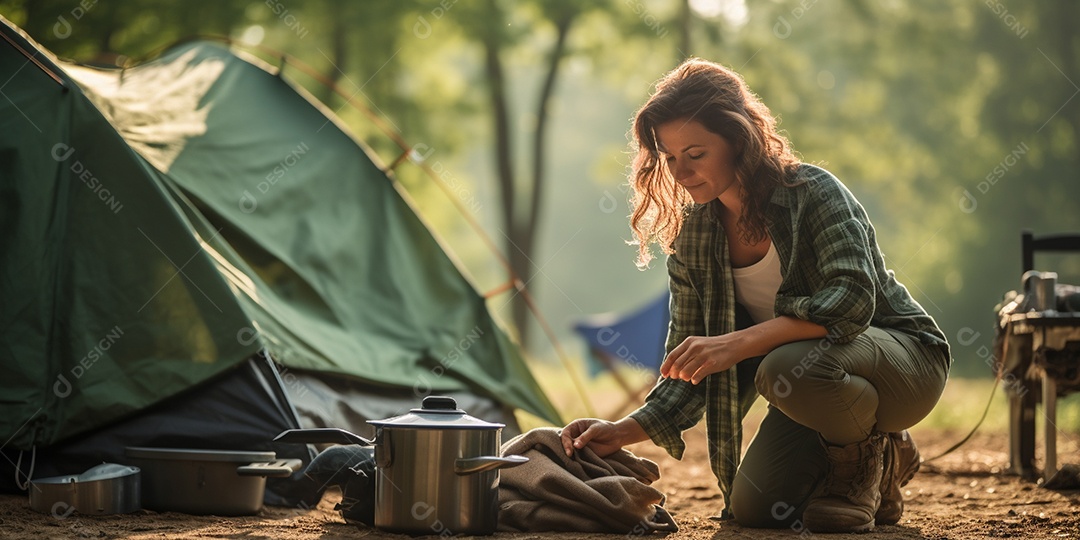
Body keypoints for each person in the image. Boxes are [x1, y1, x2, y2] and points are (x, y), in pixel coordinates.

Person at [560, 58, 951, 533]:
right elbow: (689, 367)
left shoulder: (815, 192)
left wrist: (741, 342)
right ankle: (879, 452)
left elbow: (851, 301)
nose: (681, 172)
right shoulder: (694, 239)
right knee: (756, 511)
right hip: (814, 383)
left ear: (739, 140)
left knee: (782, 366)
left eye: (696, 154)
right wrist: (621, 431)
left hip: (903, 361)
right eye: (669, 157)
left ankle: (864, 465)